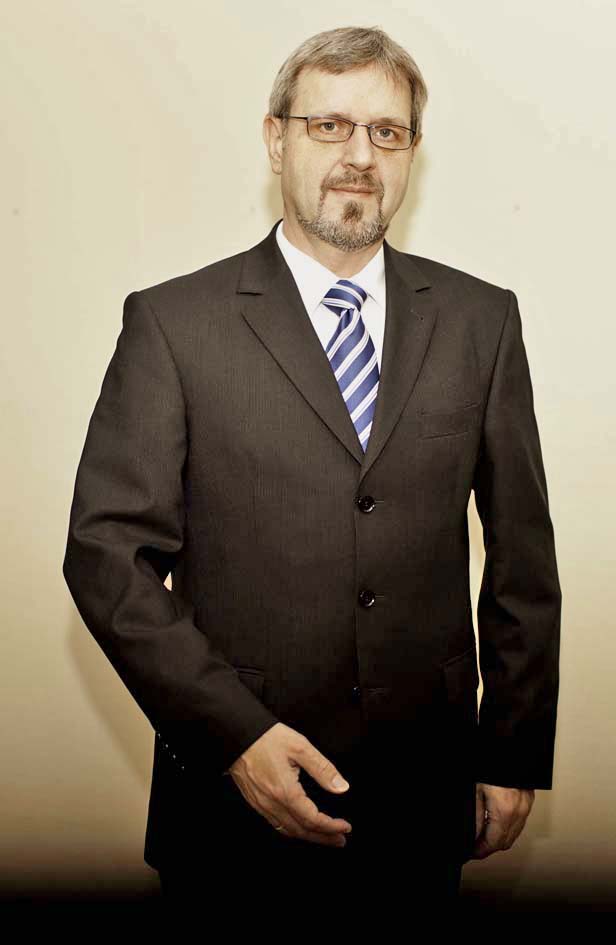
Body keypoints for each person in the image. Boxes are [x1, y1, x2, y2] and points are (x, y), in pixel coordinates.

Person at [62, 25, 561, 914]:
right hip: (231, 814)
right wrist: (233, 735)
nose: (360, 155)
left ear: (411, 152)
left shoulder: (482, 322)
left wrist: (512, 749)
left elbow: (523, 557)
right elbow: (107, 559)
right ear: (275, 138)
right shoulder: (173, 326)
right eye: (329, 125)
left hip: (424, 801)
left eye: (387, 132)